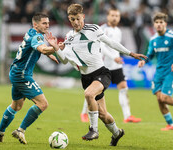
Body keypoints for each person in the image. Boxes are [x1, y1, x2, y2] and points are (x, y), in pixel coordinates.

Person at [46, 4, 147, 146]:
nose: (75, 22)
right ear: (69, 19)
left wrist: (131, 53)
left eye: (78, 19)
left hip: (101, 73)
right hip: (85, 78)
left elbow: (111, 43)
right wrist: (56, 48)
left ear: (83, 17)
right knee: (103, 114)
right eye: (72, 19)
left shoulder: (93, 29)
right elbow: (63, 60)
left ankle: (93, 130)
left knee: (88, 95)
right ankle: (117, 133)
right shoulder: (69, 37)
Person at [0, 12, 59, 144]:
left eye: (48, 23)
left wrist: (47, 52)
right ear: (35, 24)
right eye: (44, 23)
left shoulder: (30, 32)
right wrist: (55, 48)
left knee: (16, 106)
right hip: (22, 75)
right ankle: (20, 130)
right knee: (43, 104)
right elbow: (42, 48)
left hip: (15, 72)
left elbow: (36, 49)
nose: (47, 26)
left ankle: (0, 132)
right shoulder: (37, 36)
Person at [80, 8, 141, 123]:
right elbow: (102, 47)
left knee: (123, 87)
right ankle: (84, 113)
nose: (114, 18)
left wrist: (116, 58)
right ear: (107, 16)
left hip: (116, 65)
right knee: (94, 91)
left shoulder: (118, 30)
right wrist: (114, 57)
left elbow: (115, 46)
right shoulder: (101, 29)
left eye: (117, 16)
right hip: (103, 66)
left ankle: (127, 116)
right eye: (112, 15)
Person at [138, 12, 173, 131]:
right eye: (157, 22)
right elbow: (150, 55)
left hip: (170, 72)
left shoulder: (171, 36)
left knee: (164, 98)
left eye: (161, 22)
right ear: (154, 24)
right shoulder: (153, 40)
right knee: (159, 99)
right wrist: (143, 61)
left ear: (165, 24)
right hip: (159, 72)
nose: (159, 25)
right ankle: (171, 124)